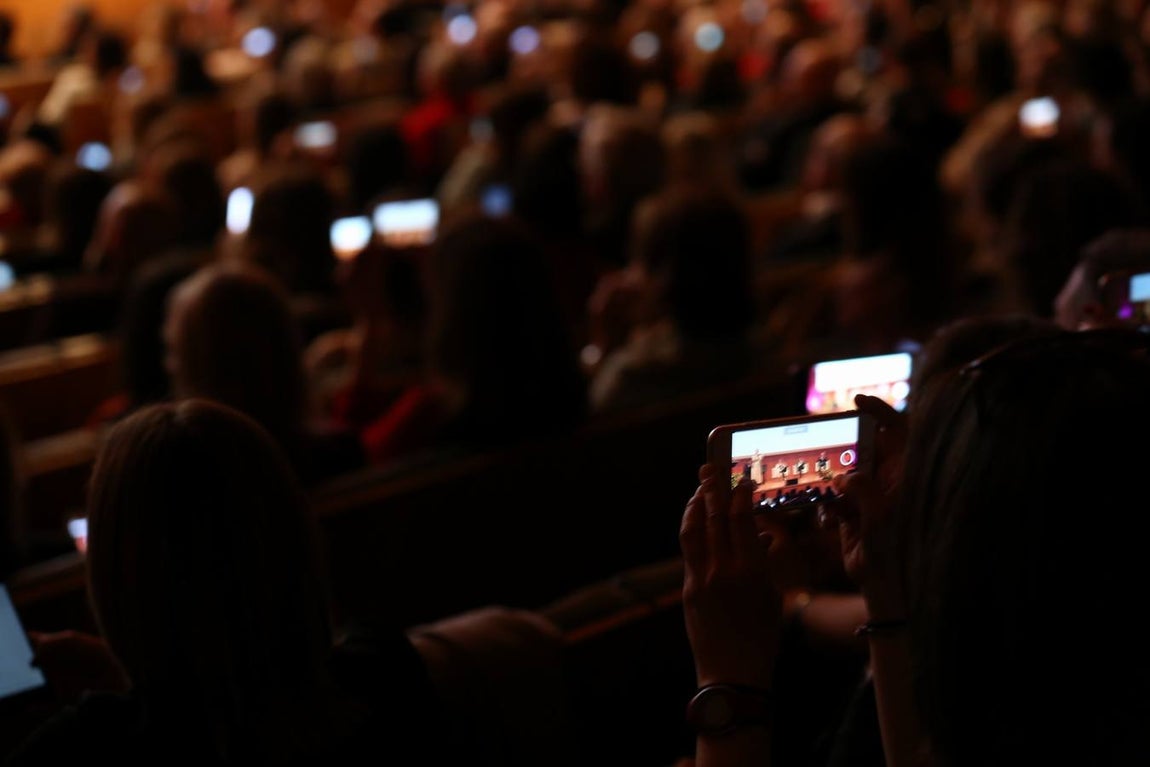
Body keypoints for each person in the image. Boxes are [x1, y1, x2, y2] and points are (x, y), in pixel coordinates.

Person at [680, 325, 1150, 766]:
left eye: (932, 468)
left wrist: (730, 683)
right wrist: (888, 590)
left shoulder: (995, 697)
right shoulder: (1093, 674)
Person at [5, 399, 445, 765]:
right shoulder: (385, 672)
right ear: (291, 533)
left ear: (118, 580)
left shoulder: (80, 753)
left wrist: (129, 688)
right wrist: (122, 679)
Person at [163, 262, 364, 487]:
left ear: (195, 364)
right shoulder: (341, 454)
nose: (169, 365)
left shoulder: (185, 479)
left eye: (173, 351)